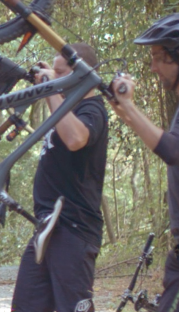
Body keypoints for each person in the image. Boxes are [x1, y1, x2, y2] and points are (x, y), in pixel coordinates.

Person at [109, 13, 179, 311]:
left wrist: (130, 106)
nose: (154, 67)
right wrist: (125, 112)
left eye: (158, 57)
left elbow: (173, 149)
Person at [12, 42, 109, 312]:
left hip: (74, 229)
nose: (55, 78)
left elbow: (76, 138)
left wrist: (51, 88)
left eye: (61, 72)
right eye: (53, 72)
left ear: (83, 73)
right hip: (48, 227)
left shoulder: (93, 110)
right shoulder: (69, 107)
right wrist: (51, 86)